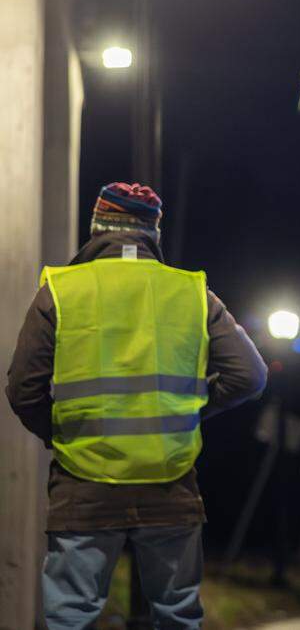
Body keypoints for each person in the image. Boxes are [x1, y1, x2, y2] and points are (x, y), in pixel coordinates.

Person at [6, 182, 267, 628]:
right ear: (153, 233)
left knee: (71, 615)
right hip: (170, 484)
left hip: (82, 484)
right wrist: (183, 414)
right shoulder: (191, 293)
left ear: (96, 229)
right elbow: (251, 374)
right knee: (177, 614)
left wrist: (64, 433)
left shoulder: (61, 291)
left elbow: (22, 390)